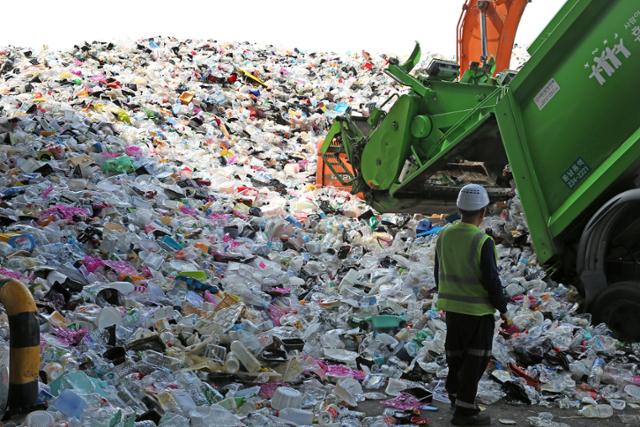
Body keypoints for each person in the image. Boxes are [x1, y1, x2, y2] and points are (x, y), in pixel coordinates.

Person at [433, 184, 511, 426]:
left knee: (456, 357)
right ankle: (465, 412)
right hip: (478, 312)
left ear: (459, 208)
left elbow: (438, 272)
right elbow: (491, 280)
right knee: (475, 359)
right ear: (483, 212)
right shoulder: (482, 241)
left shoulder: (444, 234)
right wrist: (504, 311)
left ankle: (456, 398)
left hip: (452, 310)